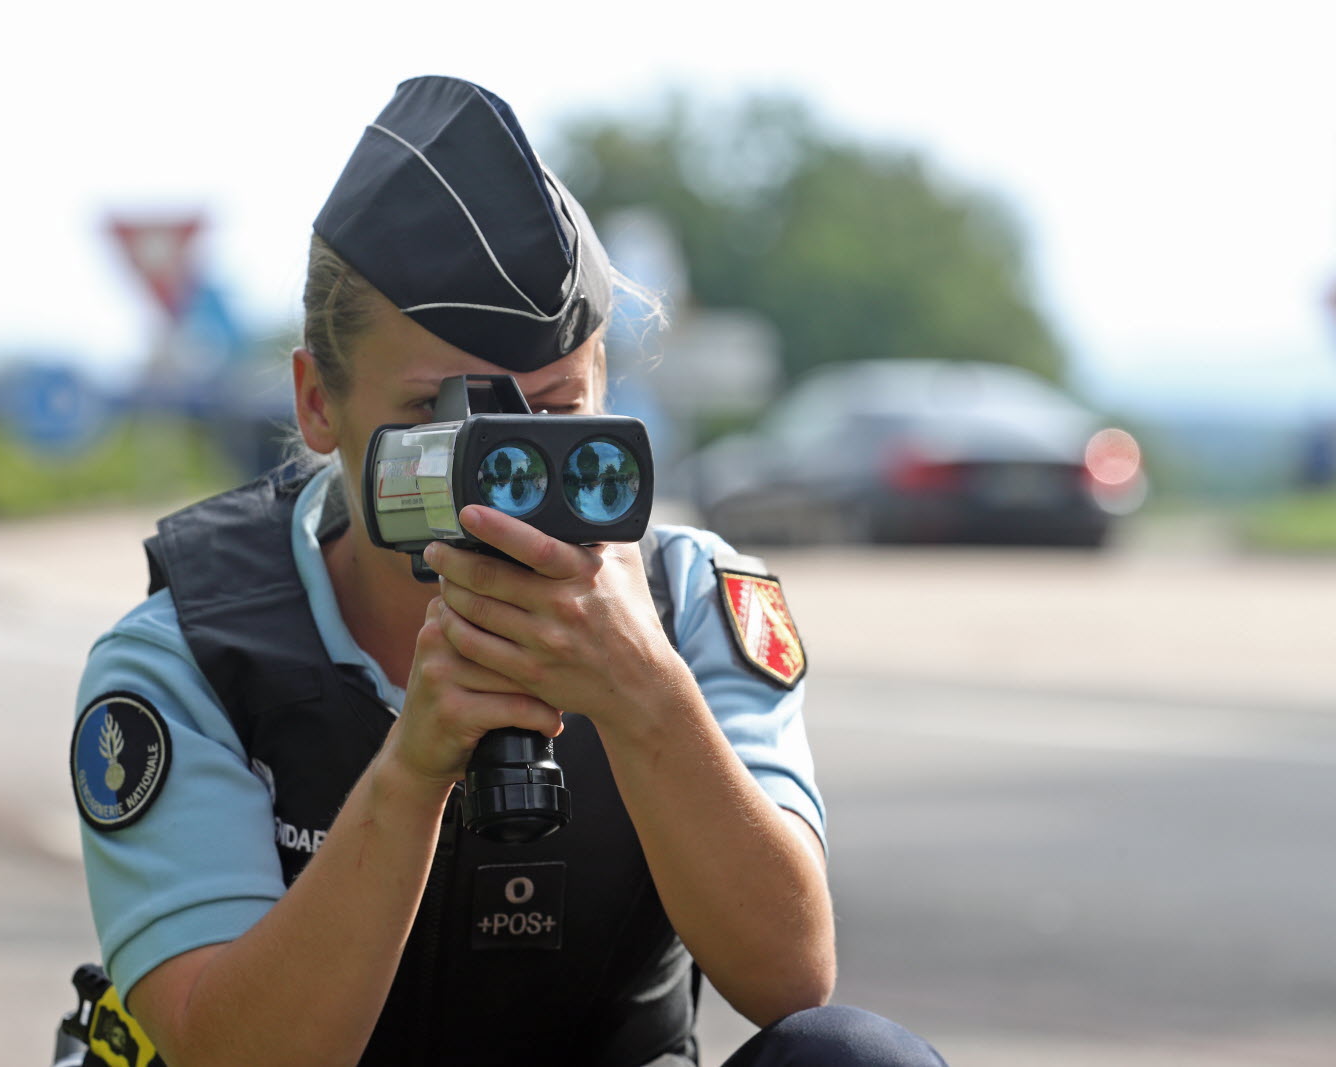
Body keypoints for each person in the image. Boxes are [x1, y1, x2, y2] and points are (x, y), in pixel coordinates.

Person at [70, 75, 948, 1067]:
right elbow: (231, 1054)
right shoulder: (193, 653)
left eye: (555, 415)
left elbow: (789, 979)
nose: (502, 479)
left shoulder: (692, 603)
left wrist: (645, 696)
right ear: (319, 402)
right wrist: (410, 773)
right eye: (439, 421)